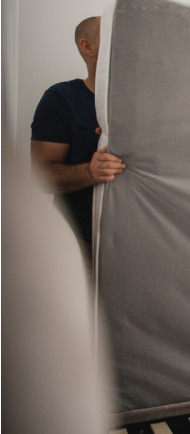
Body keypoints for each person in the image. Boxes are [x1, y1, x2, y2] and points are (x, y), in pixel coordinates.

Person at [30, 16, 126, 261]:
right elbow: (42, 175)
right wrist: (90, 173)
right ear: (88, 46)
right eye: (114, 33)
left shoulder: (144, 102)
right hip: (78, 247)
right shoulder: (61, 99)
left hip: (137, 247)